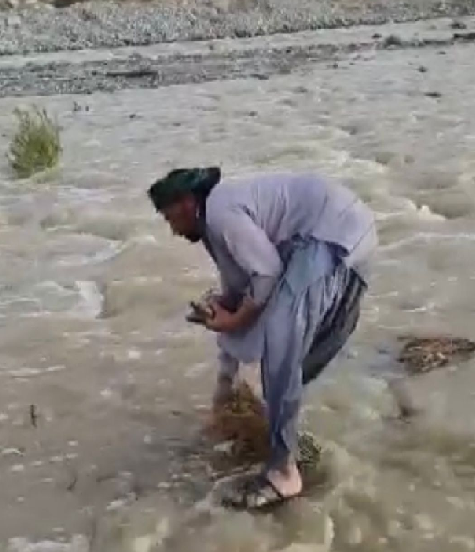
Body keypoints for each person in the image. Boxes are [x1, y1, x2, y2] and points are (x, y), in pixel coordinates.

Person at [148, 167, 377, 510]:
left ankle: (284, 473)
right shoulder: (217, 221)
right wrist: (223, 386)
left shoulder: (220, 213)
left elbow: (266, 273)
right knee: (290, 358)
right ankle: (284, 437)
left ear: (187, 203)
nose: (172, 230)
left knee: (282, 347)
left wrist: (234, 318)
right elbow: (242, 290)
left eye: (170, 218)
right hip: (347, 234)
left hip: (329, 237)